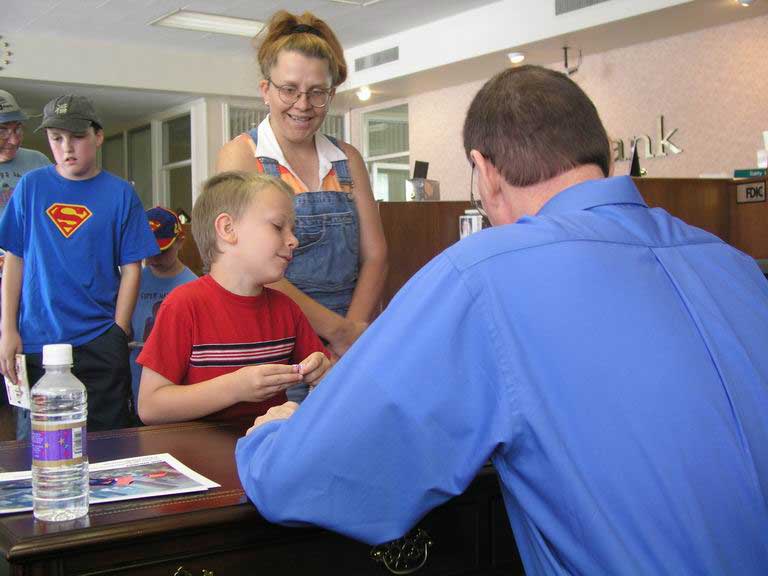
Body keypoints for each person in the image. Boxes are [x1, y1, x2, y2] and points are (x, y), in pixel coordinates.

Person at [235, 65, 768, 575]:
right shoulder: (735, 264)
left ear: (484, 171)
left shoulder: (483, 273)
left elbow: (304, 480)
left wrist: (279, 436)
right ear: (600, 155)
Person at [216, 10, 387, 402]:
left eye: (317, 92)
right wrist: (336, 332)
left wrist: (353, 332)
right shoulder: (241, 157)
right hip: (275, 345)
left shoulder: (347, 158)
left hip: (349, 344)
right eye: (288, 89)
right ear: (265, 90)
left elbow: (376, 255)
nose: (302, 104)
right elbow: (251, 266)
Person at [0, 94, 158, 438]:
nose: (67, 147)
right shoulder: (31, 187)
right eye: (57, 139)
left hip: (100, 337)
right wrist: (7, 329)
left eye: (77, 137)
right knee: (41, 444)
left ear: (97, 136)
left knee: (110, 442)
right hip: (37, 340)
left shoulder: (120, 194)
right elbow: (15, 257)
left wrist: (119, 329)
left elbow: (133, 267)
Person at [137, 171, 331, 426]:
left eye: (292, 230)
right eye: (277, 226)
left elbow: (329, 380)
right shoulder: (183, 305)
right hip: (194, 456)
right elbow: (150, 406)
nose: (293, 240)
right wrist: (235, 388)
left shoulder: (286, 309)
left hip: (263, 453)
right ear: (228, 229)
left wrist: (322, 369)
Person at [0, 89, 50, 439]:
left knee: (24, 377)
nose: (14, 138)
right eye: (4, 130)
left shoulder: (36, 164)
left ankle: (25, 455)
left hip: (25, 288)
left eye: (17, 129)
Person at [129, 206, 197, 409]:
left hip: (173, 385)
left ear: (180, 241)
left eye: (161, 251)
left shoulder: (192, 286)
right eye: (147, 251)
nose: (154, 258)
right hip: (133, 379)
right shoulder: (133, 281)